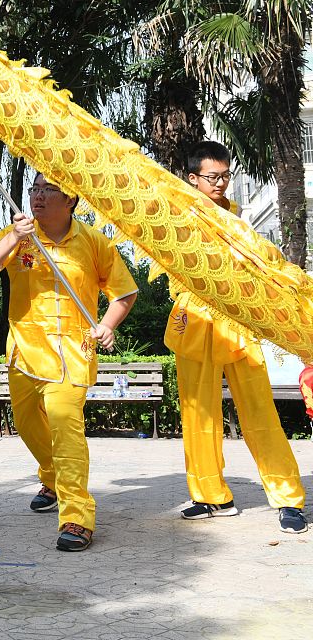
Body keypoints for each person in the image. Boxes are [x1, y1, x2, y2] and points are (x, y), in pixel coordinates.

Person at [0, 172, 137, 552]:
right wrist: (14, 237)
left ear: (72, 199)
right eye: (35, 189)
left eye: (49, 190)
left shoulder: (94, 242)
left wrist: (108, 325)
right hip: (26, 351)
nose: (38, 196)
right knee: (27, 424)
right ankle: (51, 476)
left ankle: (77, 517)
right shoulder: (16, 234)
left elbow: (124, 293)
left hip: (73, 353)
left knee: (66, 427)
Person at [166, 141, 307, 533]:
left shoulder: (239, 222)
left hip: (238, 321)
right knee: (198, 415)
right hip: (193, 319)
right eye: (213, 177)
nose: (222, 184)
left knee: (259, 413)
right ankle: (210, 495)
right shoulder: (175, 215)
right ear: (192, 179)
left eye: (226, 176)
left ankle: (288, 498)